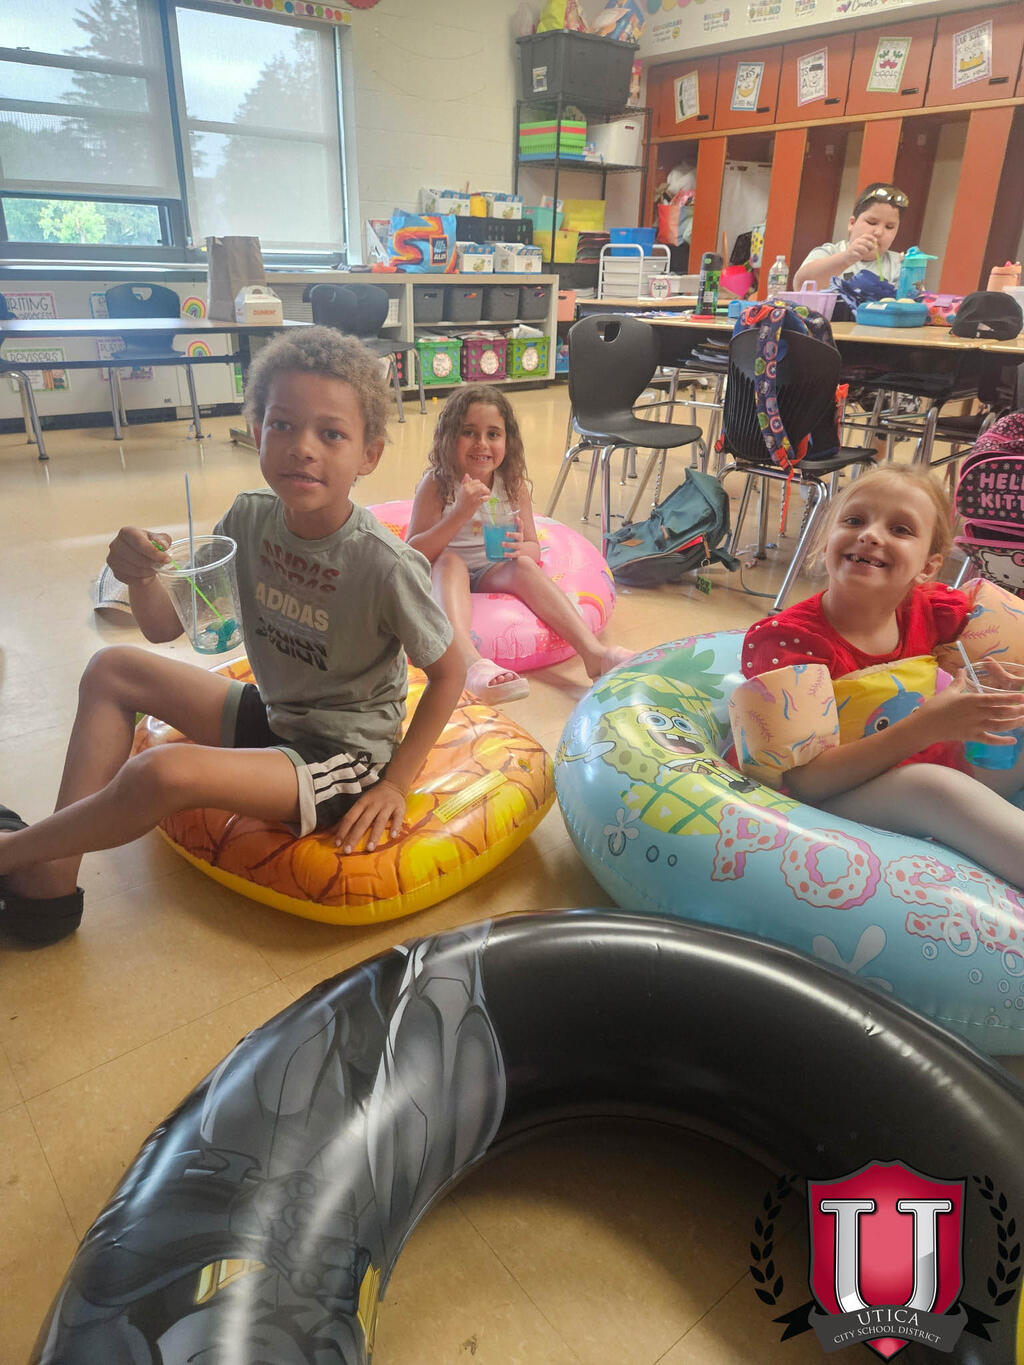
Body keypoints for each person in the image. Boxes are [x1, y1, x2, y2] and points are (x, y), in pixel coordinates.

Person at [0, 328, 464, 945]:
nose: (303, 448)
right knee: (111, 668)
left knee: (162, 773)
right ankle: (50, 882)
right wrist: (140, 574)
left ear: (369, 455)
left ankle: (11, 854)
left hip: (342, 756)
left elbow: (451, 672)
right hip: (274, 717)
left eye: (331, 434)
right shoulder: (249, 517)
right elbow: (166, 626)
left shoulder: (384, 563)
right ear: (256, 431)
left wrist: (397, 783)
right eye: (282, 425)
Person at [740, 465, 1024, 889]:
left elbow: (997, 647)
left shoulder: (930, 609)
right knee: (930, 787)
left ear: (928, 567)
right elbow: (805, 782)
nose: (871, 535)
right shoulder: (790, 642)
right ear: (826, 542)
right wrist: (928, 726)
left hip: (926, 767)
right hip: (832, 801)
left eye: (900, 529)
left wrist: (1001, 685)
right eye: (854, 520)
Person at [405, 384, 632, 704]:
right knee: (450, 562)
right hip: (444, 572)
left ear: (507, 441)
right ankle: (469, 665)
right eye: (469, 432)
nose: (482, 444)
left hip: (490, 568)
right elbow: (413, 553)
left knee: (523, 564)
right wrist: (459, 514)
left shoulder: (511, 484)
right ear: (449, 437)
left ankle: (594, 655)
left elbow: (533, 547)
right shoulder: (437, 483)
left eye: (493, 434)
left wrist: (520, 548)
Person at [793, 182, 908, 291]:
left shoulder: (899, 265)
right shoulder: (829, 252)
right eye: (872, 223)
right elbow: (800, 286)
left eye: (889, 227)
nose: (879, 232)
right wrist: (846, 258)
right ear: (852, 224)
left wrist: (911, 272)